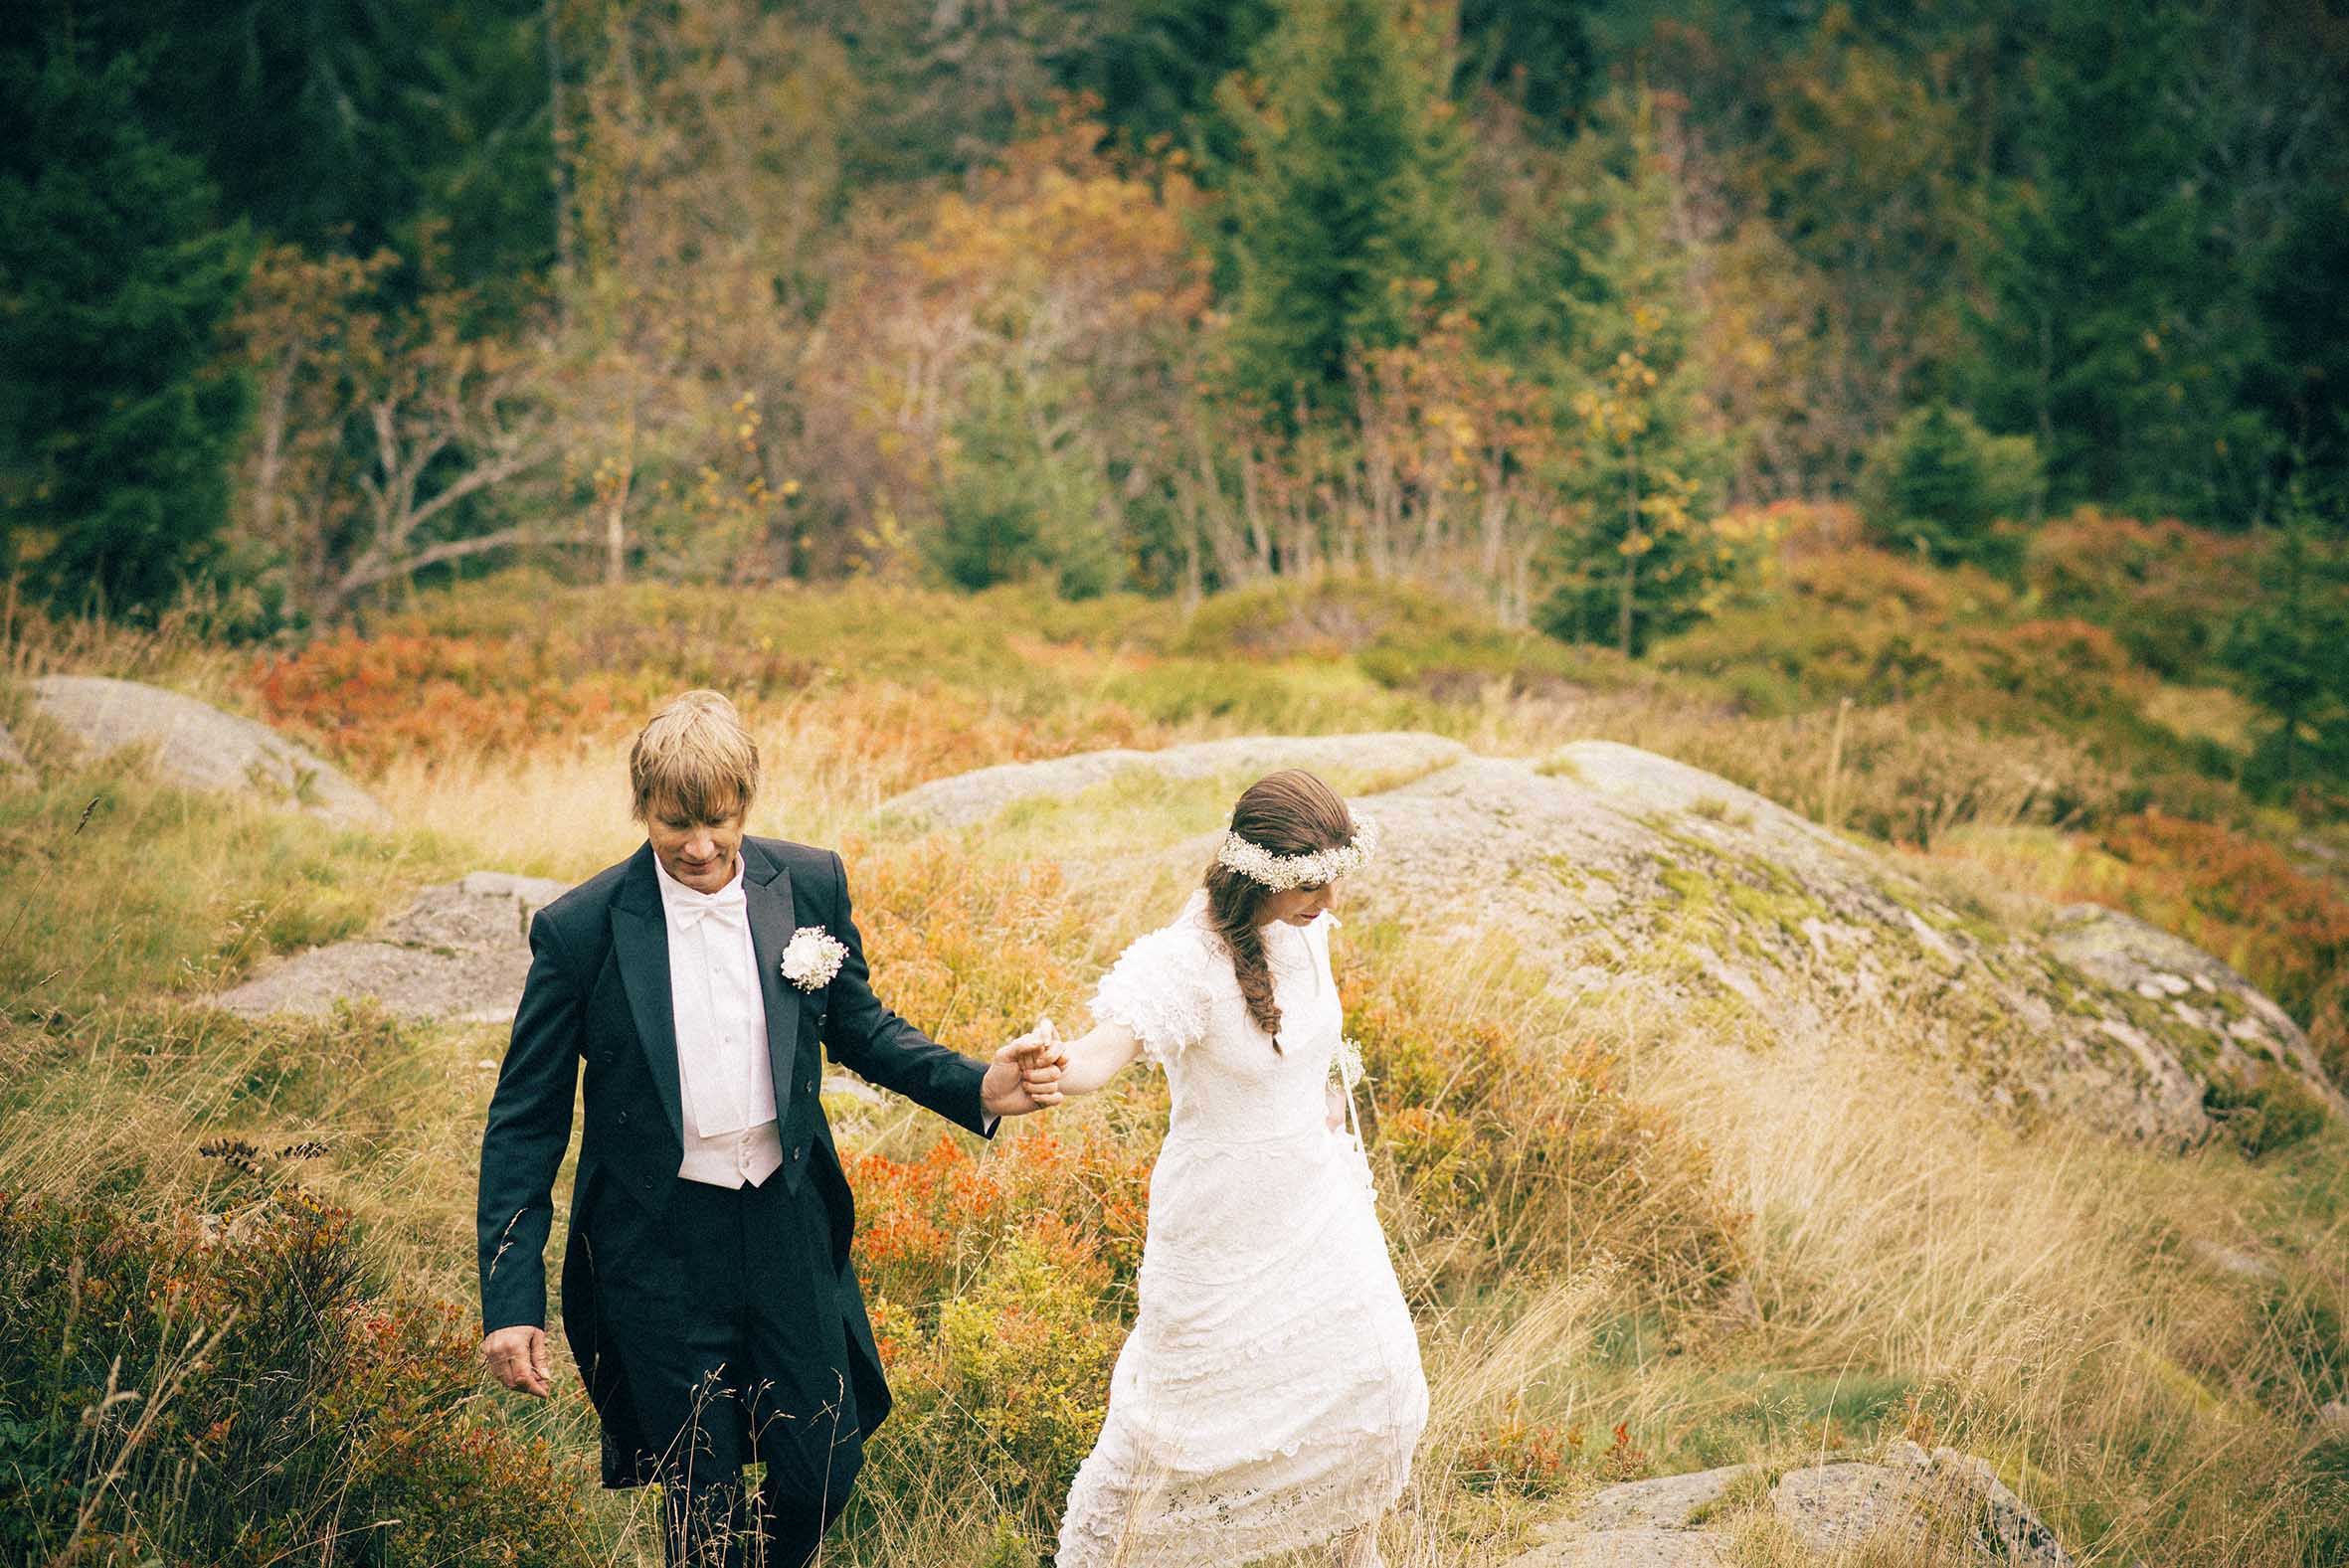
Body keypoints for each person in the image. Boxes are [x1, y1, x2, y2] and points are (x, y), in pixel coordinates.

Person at [475, 690, 1062, 1567]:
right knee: (700, 1496)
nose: (701, 845)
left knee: (822, 1466)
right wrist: (510, 1301)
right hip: (655, 1244)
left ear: (746, 801)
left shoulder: (810, 882)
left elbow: (861, 1026)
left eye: (718, 820)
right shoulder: (581, 930)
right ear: (643, 810)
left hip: (786, 1220)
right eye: (676, 823)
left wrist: (979, 1082)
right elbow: (525, 1120)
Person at [1037, 768, 1428, 1567]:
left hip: (1316, 1198)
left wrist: (1313, 1103)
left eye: (1333, 879)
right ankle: (1117, 1552)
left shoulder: (1310, 929)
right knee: (1179, 1423)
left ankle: (1353, 1548)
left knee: (1379, 1383)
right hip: (1220, 1215)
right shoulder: (1184, 961)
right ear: (1260, 872)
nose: (1328, 900)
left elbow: (1304, 1043)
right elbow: (1099, 1057)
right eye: (1310, 882)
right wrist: (1049, 1064)